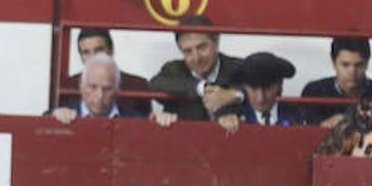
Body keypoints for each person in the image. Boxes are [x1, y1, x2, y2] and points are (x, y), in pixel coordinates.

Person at [148, 15, 245, 122]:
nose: (196, 58)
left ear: (216, 41)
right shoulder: (173, 69)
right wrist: (202, 88)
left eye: (202, 47)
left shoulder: (237, 67)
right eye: (188, 51)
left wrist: (233, 95)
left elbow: (259, 90)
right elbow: (154, 84)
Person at [48, 53, 177, 126]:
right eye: (93, 87)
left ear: (117, 87)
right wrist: (54, 117)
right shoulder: (61, 114)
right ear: (81, 85)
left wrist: (164, 120)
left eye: (107, 88)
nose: (99, 95)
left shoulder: (137, 121)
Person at [56, 28, 153, 118]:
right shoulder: (68, 86)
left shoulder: (137, 86)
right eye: (86, 52)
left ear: (111, 51)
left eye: (98, 50)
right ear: (80, 57)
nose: (93, 57)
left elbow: (146, 125)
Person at [298, 37, 372, 125]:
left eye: (359, 65)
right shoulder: (313, 92)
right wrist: (325, 125)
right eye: (345, 65)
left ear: (367, 63)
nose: (352, 72)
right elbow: (306, 132)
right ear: (333, 62)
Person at [216, 52, 308, 131]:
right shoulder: (232, 114)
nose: (261, 98)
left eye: (268, 88)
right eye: (254, 89)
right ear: (245, 87)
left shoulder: (298, 114)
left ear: (280, 85)